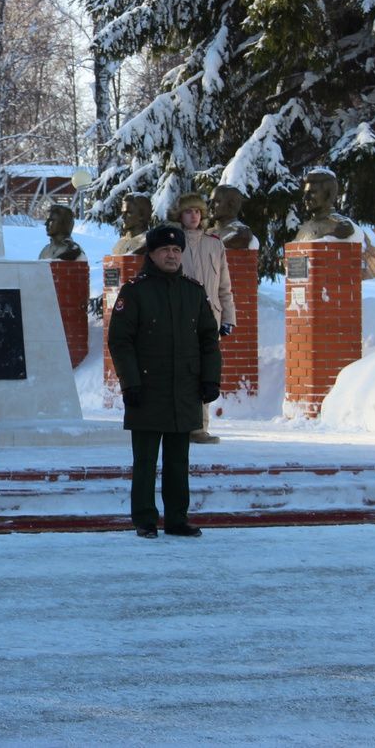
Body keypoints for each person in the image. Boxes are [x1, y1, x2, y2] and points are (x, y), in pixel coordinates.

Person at [107, 225, 221, 539]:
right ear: (152, 254)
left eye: (176, 251)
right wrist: (130, 383)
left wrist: (210, 379)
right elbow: (120, 341)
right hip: (146, 388)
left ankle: (176, 518)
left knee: (177, 460)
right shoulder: (135, 291)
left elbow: (209, 339)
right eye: (164, 251)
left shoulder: (193, 291)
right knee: (145, 460)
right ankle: (144, 519)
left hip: (183, 389)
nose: (171, 256)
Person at [174, 192, 236, 444]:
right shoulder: (173, 242)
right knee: (181, 371)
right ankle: (178, 424)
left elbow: (224, 285)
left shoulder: (214, 243)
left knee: (205, 372)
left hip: (209, 318)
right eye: (189, 211)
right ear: (180, 215)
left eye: (198, 212)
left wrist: (228, 317)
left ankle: (199, 427)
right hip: (179, 317)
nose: (194, 216)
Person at [293, 167, 356, 241]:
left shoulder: (341, 226)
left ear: (329, 194)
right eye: (305, 193)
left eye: (312, 192)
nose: (305, 198)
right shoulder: (304, 228)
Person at [206, 186, 257, 251]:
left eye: (216, 202)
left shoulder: (241, 233)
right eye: (210, 201)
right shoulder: (207, 232)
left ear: (231, 205)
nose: (210, 206)